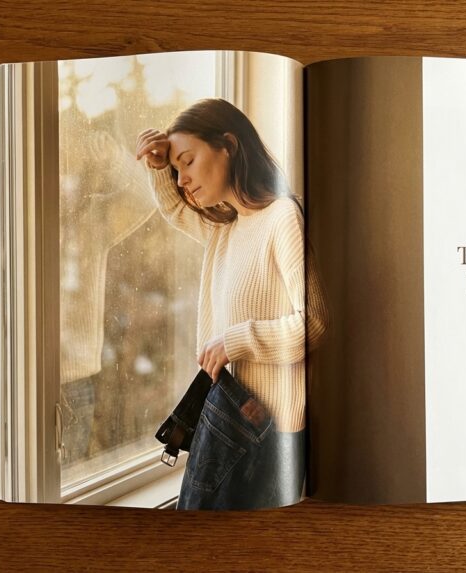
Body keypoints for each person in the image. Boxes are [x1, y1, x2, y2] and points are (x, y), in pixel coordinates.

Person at [135, 98, 328, 510]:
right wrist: (158, 167)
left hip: (271, 437)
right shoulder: (226, 230)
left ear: (229, 145)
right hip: (230, 419)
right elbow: (174, 209)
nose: (182, 179)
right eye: (176, 170)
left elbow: (313, 321)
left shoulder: (282, 217)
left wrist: (235, 341)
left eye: (188, 161)